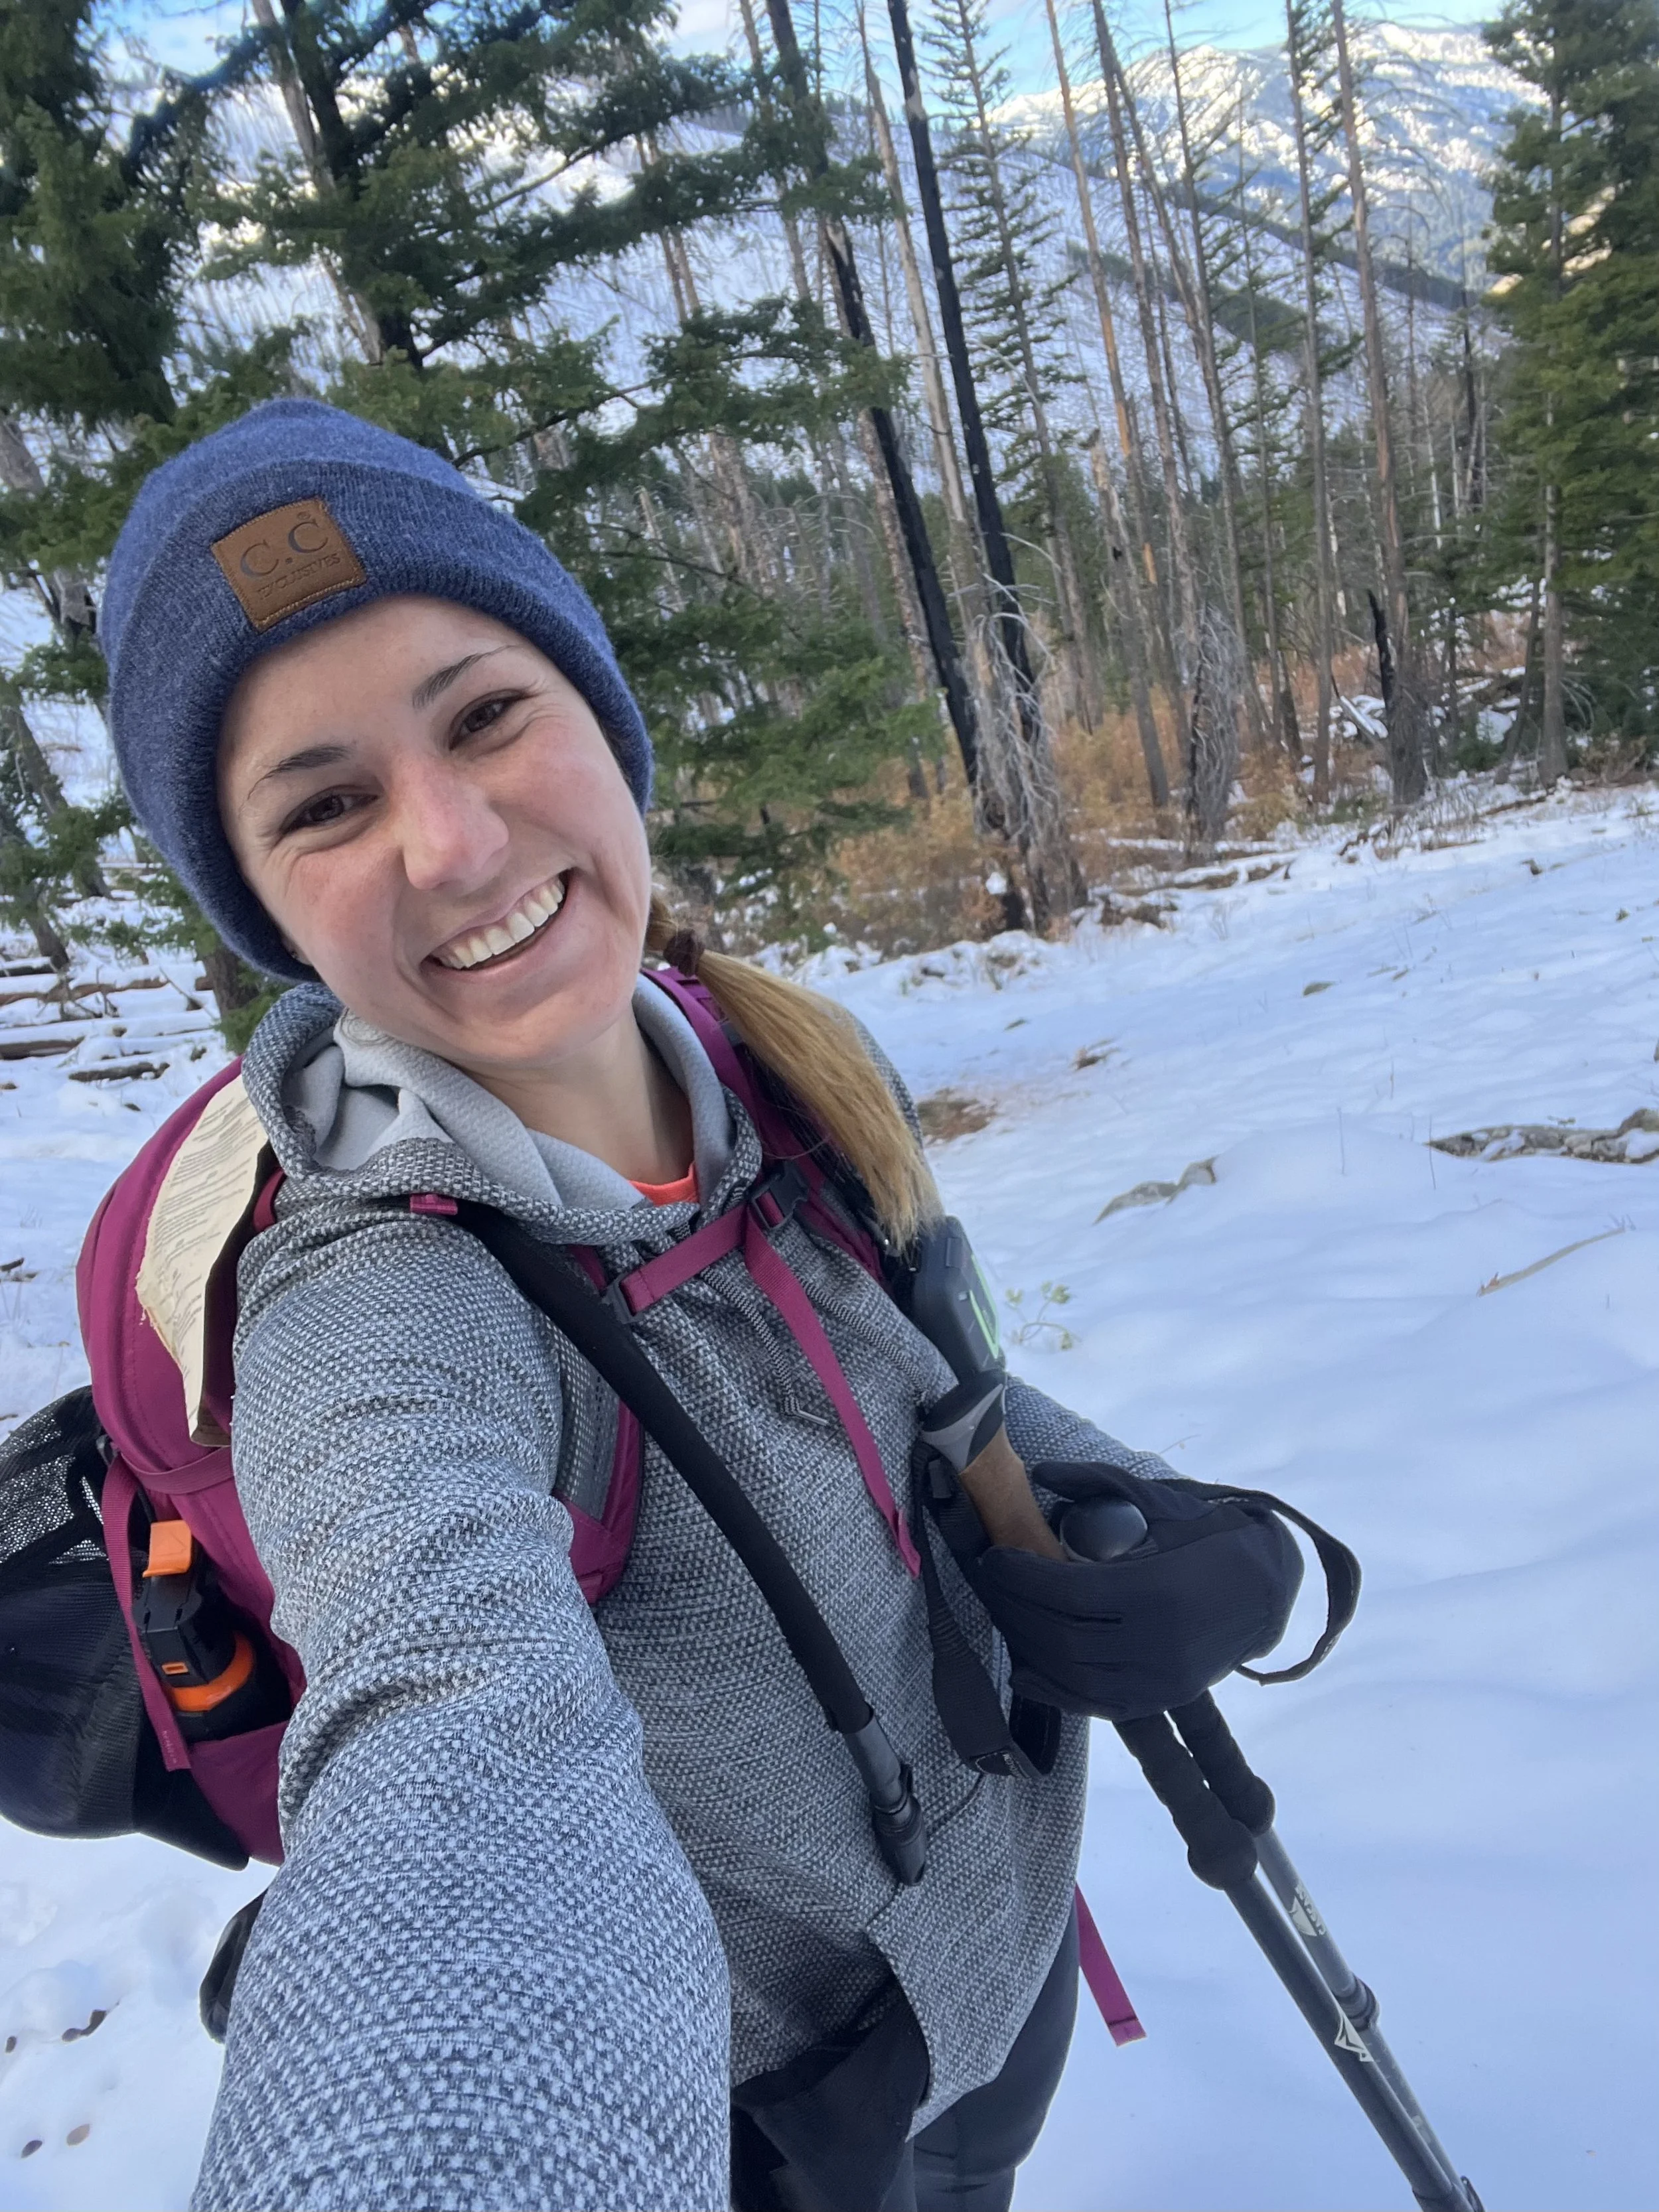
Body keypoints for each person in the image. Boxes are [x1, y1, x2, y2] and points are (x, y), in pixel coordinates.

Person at [100, 401, 1194, 2212]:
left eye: (483, 713)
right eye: (326, 805)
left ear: (599, 716)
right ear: (268, 918)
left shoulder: (775, 1060)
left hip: (1000, 1979)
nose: (451, 840)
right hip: (765, 2122)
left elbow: (922, 1371)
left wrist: (1155, 1507)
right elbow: (453, 1722)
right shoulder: (373, 1293)